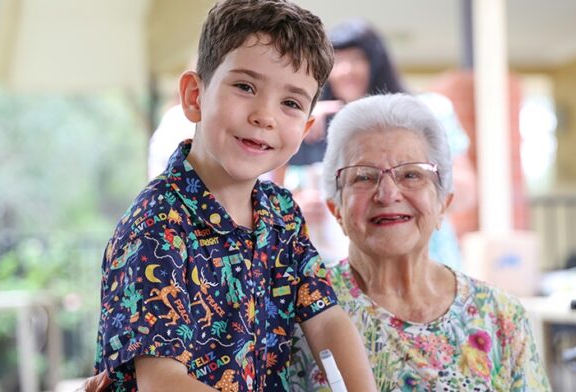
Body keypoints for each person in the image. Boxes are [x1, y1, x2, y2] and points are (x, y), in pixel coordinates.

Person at [92, 1, 377, 390]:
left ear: (306, 127)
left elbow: (326, 319)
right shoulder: (156, 225)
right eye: (245, 86)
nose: (265, 115)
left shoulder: (281, 213)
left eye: (290, 103)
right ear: (194, 96)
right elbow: (162, 382)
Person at [288, 94, 550, 391]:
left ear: (442, 204)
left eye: (411, 174)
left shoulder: (500, 315)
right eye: (364, 177)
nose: (387, 194)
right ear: (336, 209)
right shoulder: (302, 311)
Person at [283, 19, 476, 269]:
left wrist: (413, 167)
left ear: (376, 63)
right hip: (345, 273)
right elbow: (276, 195)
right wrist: (296, 125)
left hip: (427, 265)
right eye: (337, 61)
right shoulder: (313, 126)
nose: (346, 70)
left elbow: (466, 193)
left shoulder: (429, 112)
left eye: (357, 58)